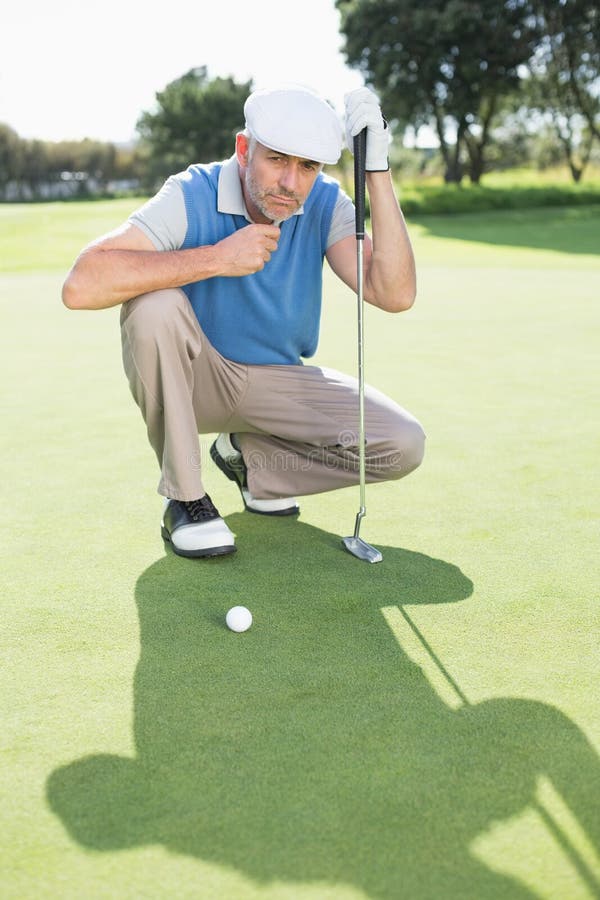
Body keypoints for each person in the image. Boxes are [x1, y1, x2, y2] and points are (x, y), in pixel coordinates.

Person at [62, 84, 425, 559]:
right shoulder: (191, 192)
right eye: (277, 159)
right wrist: (215, 258)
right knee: (153, 306)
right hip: (195, 385)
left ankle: (251, 461)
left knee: (402, 444)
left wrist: (376, 170)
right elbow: (81, 284)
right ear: (243, 149)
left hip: (278, 384)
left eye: (308, 166)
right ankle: (186, 498)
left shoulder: (324, 202)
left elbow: (394, 293)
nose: (291, 184)